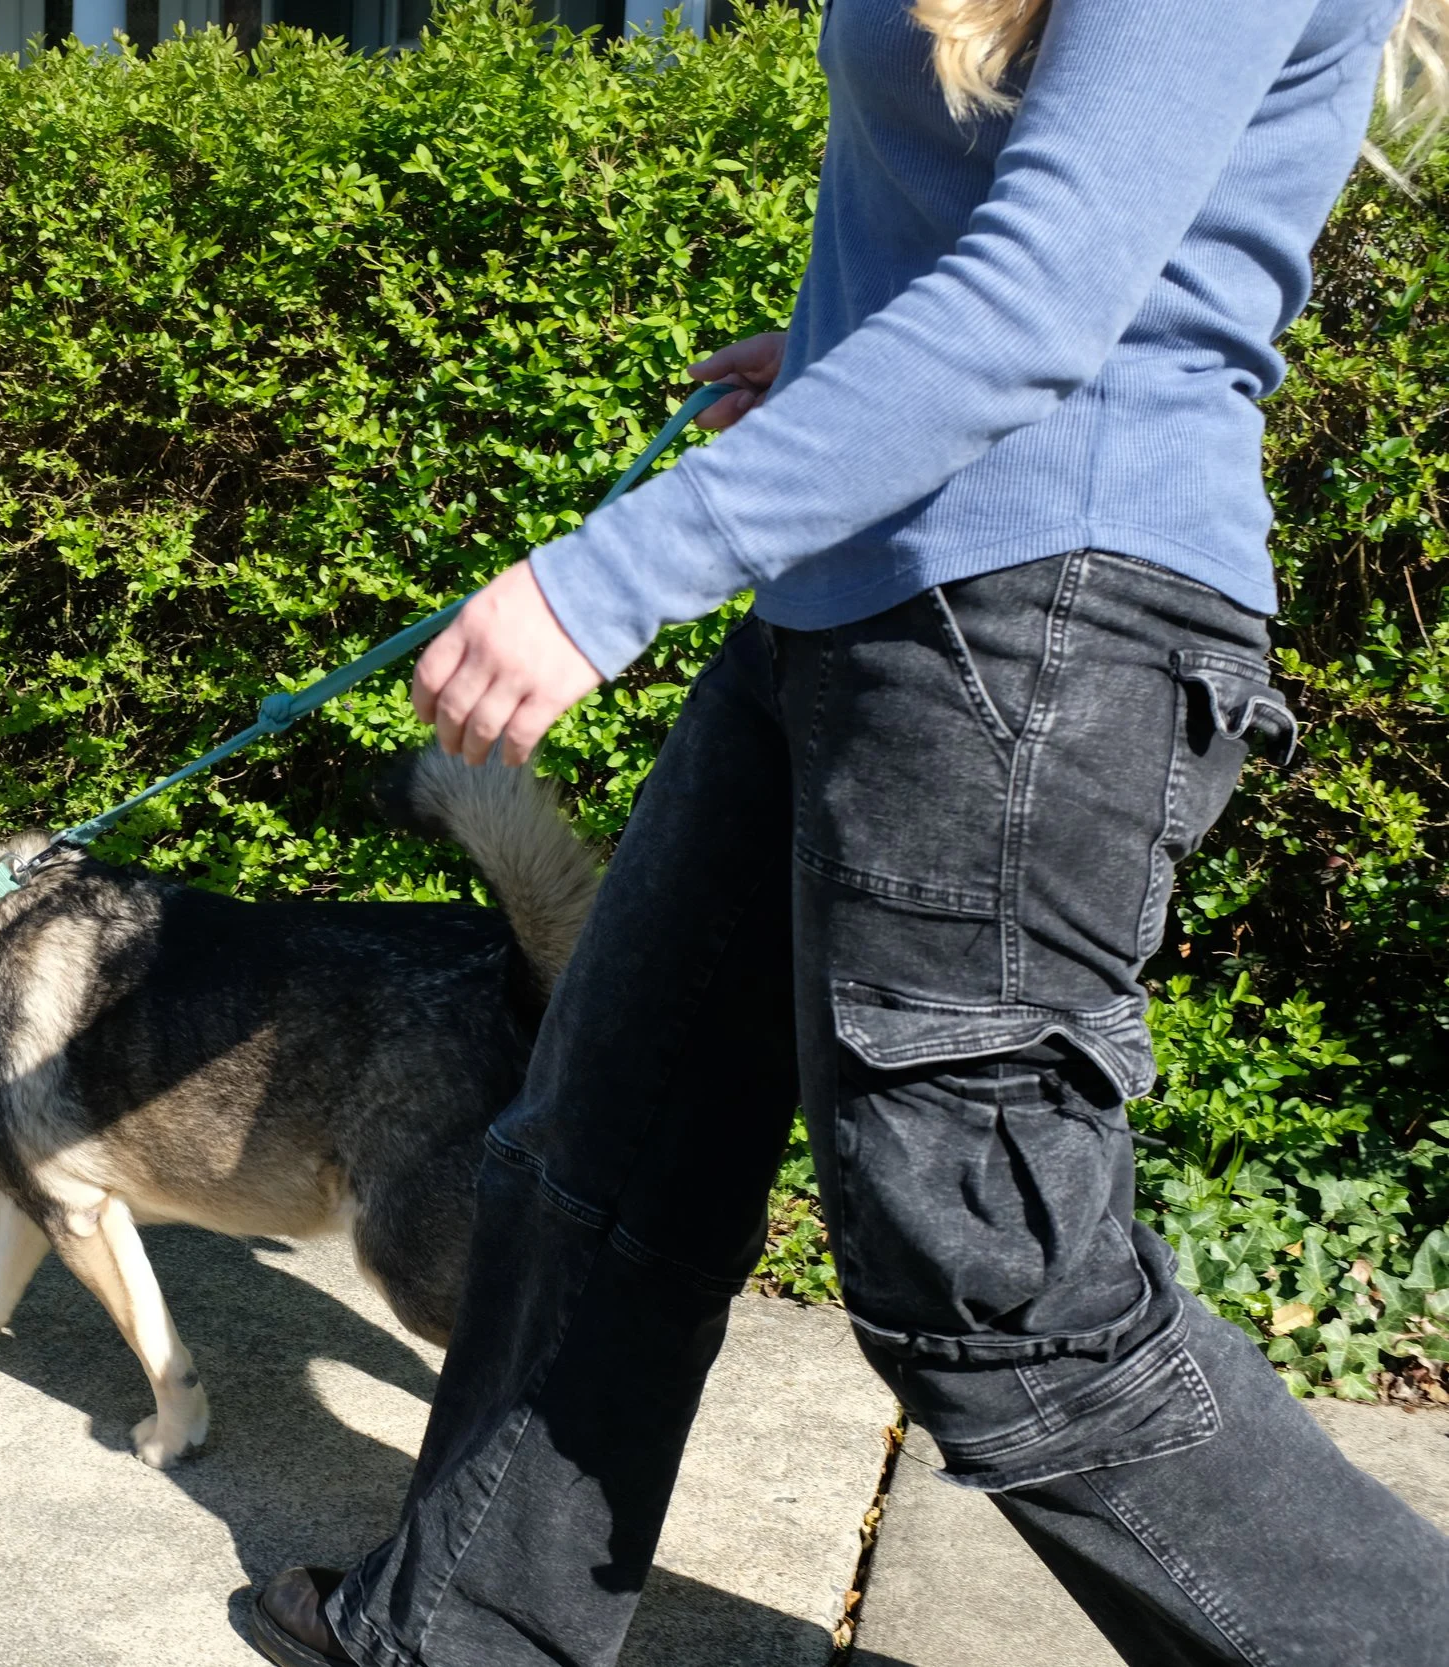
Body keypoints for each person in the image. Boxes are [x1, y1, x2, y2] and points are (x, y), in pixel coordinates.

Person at [237, 1, 1449, 1663]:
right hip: (862, 594)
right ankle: (459, 1633)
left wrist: (610, 580)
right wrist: (827, 365)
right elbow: (974, 243)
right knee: (608, 1138)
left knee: (988, 1277)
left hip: (1041, 620)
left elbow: (1044, 301)